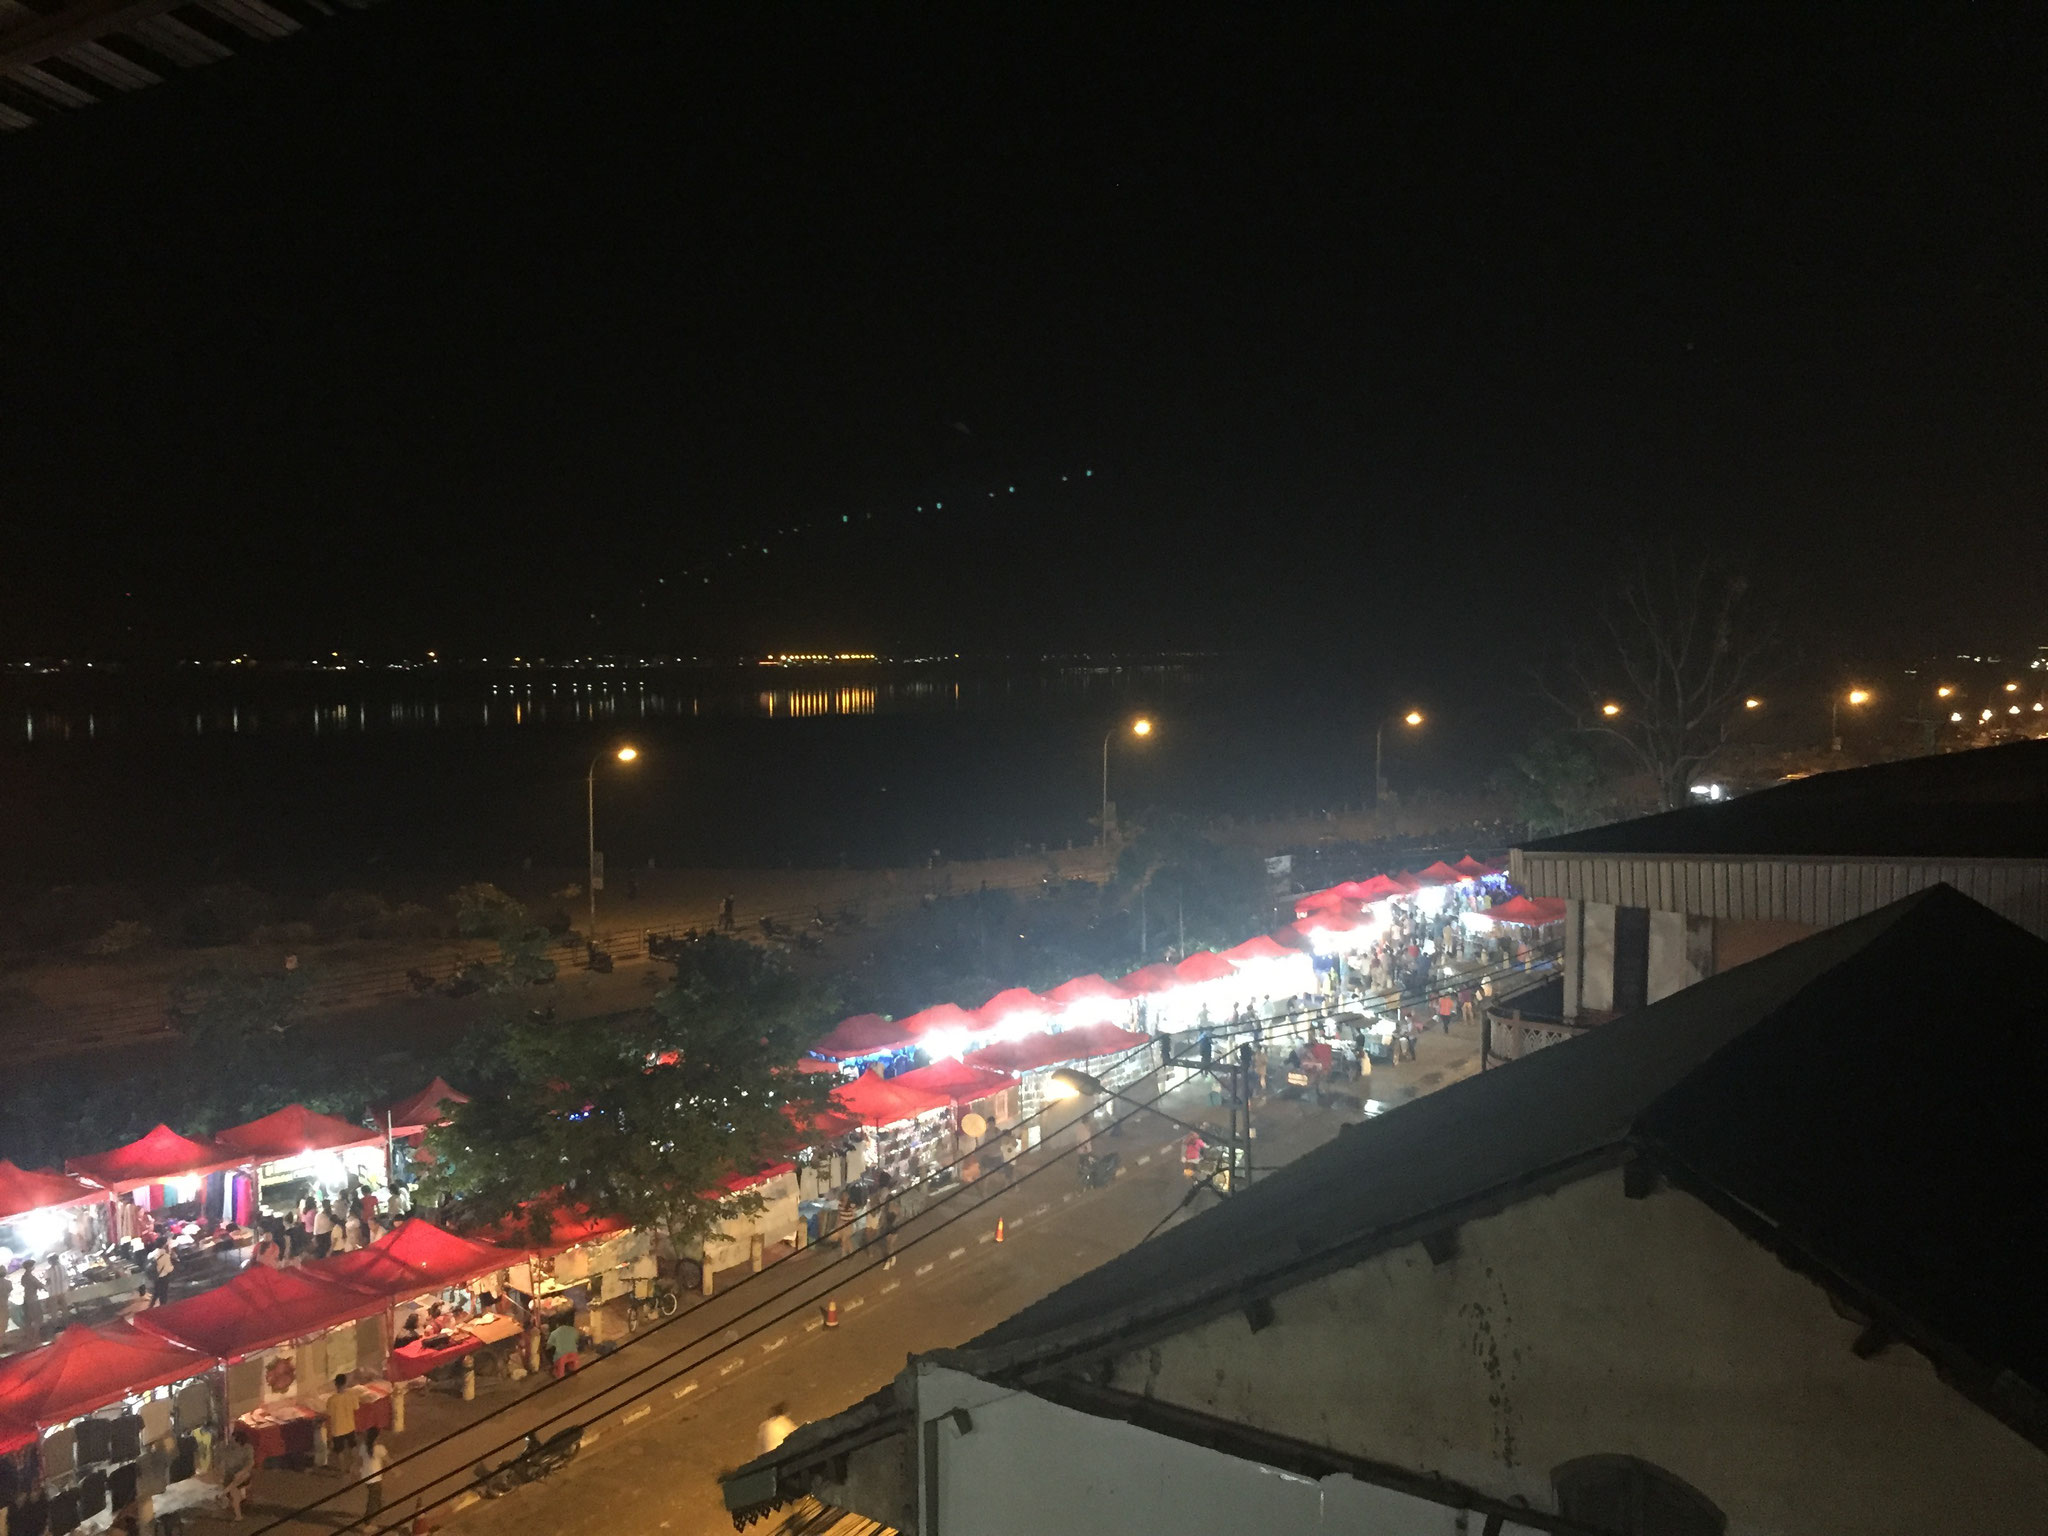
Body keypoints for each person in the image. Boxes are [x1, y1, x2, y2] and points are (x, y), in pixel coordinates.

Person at [219, 1427, 255, 1520]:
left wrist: (241, 1472)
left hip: (242, 1477)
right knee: (235, 1496)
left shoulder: (247, 1448)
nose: (230, 1440)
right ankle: (238, 1516)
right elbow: (223, 1463)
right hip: (231, 1478)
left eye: (233, 1439)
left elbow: (250, 1463)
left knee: (242, 1476)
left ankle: (223, 1493)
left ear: (238, 1441)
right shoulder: (227, 1449)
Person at [325, 1374, 360, 1462]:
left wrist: (329, 1435)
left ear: (335, 1384)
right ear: (345, 1383)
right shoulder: (351, 1395)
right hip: (350, 1426)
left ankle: (343, 1471)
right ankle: (355, 1464)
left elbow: (329, 1415)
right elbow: (356, 1408)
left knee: (339, 1451)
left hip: (337, 1429)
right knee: (353, 1446)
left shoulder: (331, 1400)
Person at [357, 1427, 389, 1518]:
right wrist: (396, 1470)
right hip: (375, 1478)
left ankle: (380, 1508)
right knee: (373, 1499)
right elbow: (388, 1459)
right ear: (377, 1437)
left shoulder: (363, 1447)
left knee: (377, 1492)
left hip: (366, 1476)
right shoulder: (379, 1448)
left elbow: (359, 1461)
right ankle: (368, 1522)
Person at [18, 1259, 44, 1346]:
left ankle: (30, 1337)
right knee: (38, 1319)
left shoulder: (24, 1277)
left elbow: (24, 1285)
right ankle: (36, 1337)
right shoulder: (31, 1277)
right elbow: (40, 1285)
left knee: (29, 1320)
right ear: (30, 1267)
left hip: (26, 1299)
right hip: (33, 1300)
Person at [150, 1240, 178, 1307]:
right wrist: (173, 1267)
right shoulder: (165, 1256)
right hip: (163, 1277)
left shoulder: (152, 1254)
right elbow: (168, 1269)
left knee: (156, 1293)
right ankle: (163, 1308)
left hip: (155, 1276)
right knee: (163, 1294)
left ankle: (151, 1306)